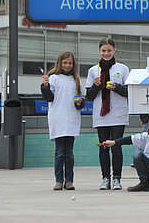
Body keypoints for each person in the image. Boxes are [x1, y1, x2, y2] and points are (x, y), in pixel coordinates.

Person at [86, 37, 129, 190]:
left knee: (116, 146)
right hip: (101, 114)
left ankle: (117, 179)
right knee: (103, 146)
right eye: (103, 50)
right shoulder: (93, 70)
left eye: (109, 50)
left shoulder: (122, 68)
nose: (106, 53)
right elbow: (89, 96)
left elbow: (128, 92)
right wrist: (96, 86)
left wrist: (116, 87)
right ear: (99, 51)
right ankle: (105, 178)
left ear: (114, 50)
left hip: (118, 114)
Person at [40, 50, 85, 191]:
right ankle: (59, 180)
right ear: (60, 63)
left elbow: (81, 101)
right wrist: (45, 87)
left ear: (73, 64)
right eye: (65, 63)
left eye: (70, 63)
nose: (67, 65)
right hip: (58, 118)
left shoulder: (76, 80)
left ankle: (69, 181)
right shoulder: (53, 78)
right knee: (60, 152)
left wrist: (79, 103)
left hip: (71, 119)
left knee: (69, 153)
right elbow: (49, 98)